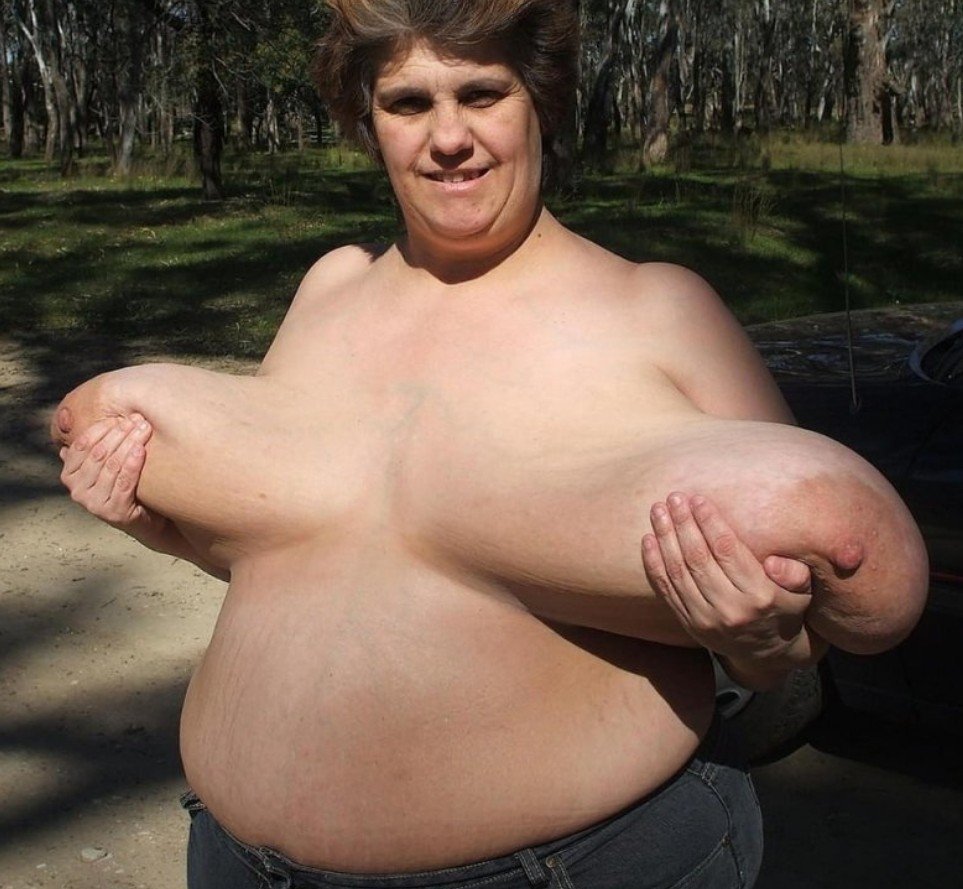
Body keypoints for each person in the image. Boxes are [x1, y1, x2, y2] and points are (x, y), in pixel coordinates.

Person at [51, 2, 927, 887]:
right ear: (369, 124)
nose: (448, 138)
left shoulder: (660, 308)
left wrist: (761, 642)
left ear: (538, 102)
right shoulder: (329, 286)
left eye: (481, 94)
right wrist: (158, 526)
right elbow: (306, 549)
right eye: (408, 103)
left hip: (570, 867)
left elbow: (800, 626)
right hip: (236, 861)